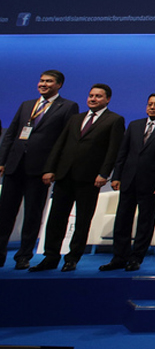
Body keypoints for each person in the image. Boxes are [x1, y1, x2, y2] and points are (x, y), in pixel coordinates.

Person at [30, 83, 125, 272]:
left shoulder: (114, 120)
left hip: (90, 179)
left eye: (98, 96)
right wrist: (50, 168)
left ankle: (72, 258)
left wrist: (104, 174)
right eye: (91, 95)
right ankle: (50, 257)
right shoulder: (76, 118)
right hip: (64, 176)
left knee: (82, 221)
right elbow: (60, 144)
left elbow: (113, 150)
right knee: (56, 219)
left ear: (107, 99)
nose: (93, 99)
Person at [0, 70, 79, 270]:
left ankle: (23, 256)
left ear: (59, 85)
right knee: (4, 213)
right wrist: (2, 161)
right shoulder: (27, 105)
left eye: (49, 81)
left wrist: (53, 169)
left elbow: (65, 140)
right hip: (15, 166)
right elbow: (11, 134)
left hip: (40, 169)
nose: (43, 84)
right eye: (42, 81)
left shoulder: (68, 106)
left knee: (32, 214)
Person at [99, 93, 155, 272]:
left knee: (145, 222)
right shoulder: (134, 125)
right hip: (128, 180)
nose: (152, 107)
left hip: (151, 183)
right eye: (150, 104)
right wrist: (117, 176)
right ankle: (119, 258)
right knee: (122, 221)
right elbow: (122, 153)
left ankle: (136, 258)